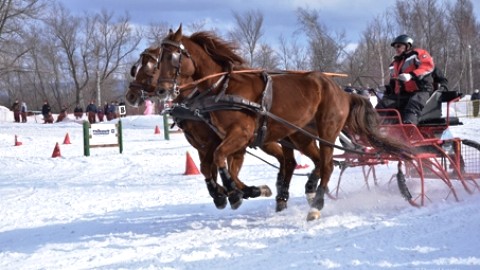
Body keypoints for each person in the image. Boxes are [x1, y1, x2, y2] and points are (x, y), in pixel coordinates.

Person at [376, 34, 435, 124]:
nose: (396, 49)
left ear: (408, 45)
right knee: (383, 105)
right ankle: (374, 129)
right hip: (403, 94)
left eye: (399, 46)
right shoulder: (394, 63)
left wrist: (411, 75)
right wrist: (387, 88)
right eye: (395, 47)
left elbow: (427, 67)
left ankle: (410, 130)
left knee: (412, 105)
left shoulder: (417, 54)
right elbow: (394, 83)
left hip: (421, 90)